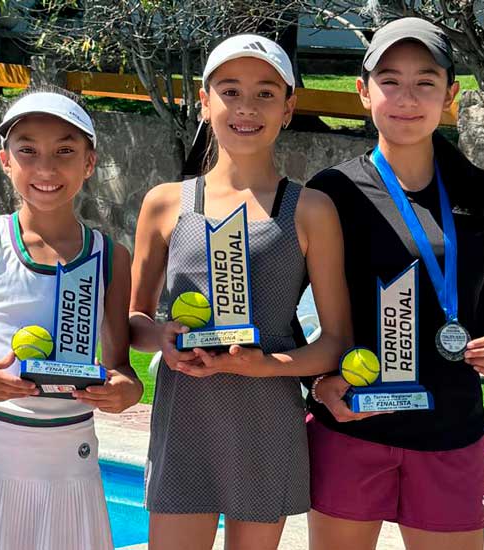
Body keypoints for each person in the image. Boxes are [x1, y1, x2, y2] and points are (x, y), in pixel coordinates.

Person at [129, 34, 352, 550]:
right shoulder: (164, 204)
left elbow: (335, 341)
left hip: (266, 418)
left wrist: (265, 365)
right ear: (204, 102)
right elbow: (133, 321)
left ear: (289, 107)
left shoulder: (311, 209)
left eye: (266, 93)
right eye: (229, 90)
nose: (246, 107)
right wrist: (162, 336)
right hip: (185, 418)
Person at [303, 18, 484, 550]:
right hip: (353, 428)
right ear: (362, 89)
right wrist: (317, 385)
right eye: (390, 80)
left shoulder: (478, 189)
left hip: (450, 430)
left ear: (450, 95)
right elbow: (288, 310)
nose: (407, 97)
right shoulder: (330, 192)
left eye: (426, 81)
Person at [0, 86, 143, 550]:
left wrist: (126, 392)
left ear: (89, 162)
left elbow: (121, 368)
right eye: (28, 151)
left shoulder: (111, 257)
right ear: (5, 160)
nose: (46, 168)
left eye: (65, 151)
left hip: (70, 461)